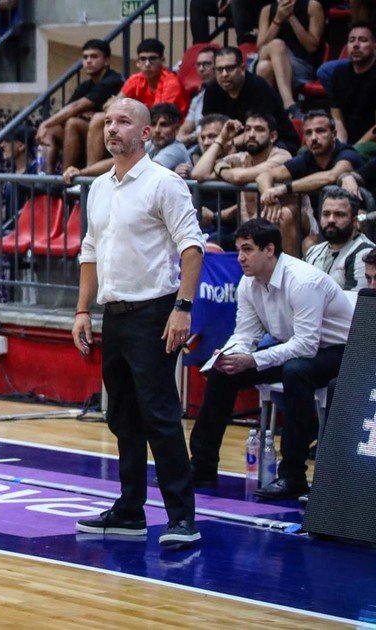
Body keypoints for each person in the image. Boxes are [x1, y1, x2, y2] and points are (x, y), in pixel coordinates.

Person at [71, 97, 204, 549]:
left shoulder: (165, 184)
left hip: (155, 313)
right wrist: (83, 310)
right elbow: (90, 251)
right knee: (122, 416)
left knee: (160, 416)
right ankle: (130, 510)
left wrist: (183, 307)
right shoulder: (99, 187)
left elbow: (191, 247)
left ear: (145, 133)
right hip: (115, 315)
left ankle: (182, 517)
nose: (112, 128)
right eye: (108, 121)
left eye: (123, 122)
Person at [188, 218, 353, 499]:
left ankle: (293, 475)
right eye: (239, 249)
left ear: (269, 250)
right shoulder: (248, 283)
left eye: (247, 249)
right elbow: (245, 334)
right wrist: (228, 356)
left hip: (341, 352)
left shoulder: (303, 281)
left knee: (296, 371)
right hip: (295, 347)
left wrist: (253, 360)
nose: (240, 257)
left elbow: (306, 345)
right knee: (224, 372)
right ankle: (202, 466)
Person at [256, 111, 364, 256]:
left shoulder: (347, 153)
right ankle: (289, 267)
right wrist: (269, 197)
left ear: (334, 134)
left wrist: (284, 189)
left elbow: (331, 176)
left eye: (320, 131)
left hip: (356, 222)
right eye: (308, 133)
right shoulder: (306, 158)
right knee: (289, 218)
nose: (314, 138)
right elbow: (264, 176)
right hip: (324, 224)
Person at [191, 111, 294, 244]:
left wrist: (220, 168)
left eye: (259, 129)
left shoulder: (282, 156)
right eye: (247, 129)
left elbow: (239, 177)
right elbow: (198, 173)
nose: (251, 134)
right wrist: (221, 139)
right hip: (249, 235)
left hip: (280, 233)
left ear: (273, 136)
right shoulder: (241, 158)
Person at [35, 39, 124, 174]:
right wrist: (48, 126)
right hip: (87, 135)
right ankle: (46, 176)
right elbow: (69, 110)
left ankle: (68, 178)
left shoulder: (113, 80)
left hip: (113, 136)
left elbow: (76, 107)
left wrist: (44, 123)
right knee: (50, 131)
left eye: (94, 56)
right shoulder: (86, 85)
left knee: (73, 123)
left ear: (106, 61)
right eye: (85, 57)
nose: (88, 61)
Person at [202, 46, 302, 152]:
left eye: (230, 68)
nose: (224, 74)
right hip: (230, 143)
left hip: (274, 142)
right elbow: (207, 128)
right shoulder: (212, 89)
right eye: (219, 69)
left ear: (242, 68)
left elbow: (259, 131)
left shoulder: (258, 87)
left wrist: (224, 145)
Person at [254, 0, 325, 119]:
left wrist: (291, 17)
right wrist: (277, 19)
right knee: (276, 45)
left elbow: (312, 47)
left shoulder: (312, 6)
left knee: (264, 68)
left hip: (300, 65)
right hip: (270, 56)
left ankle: (271, 115)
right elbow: (261, 47)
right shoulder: (267, 10)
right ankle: (289, 104)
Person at [303, 186, 375, 290]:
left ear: (354, 221)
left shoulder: (365, 254)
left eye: (339, 214)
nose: (331, 220)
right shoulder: (313, 252)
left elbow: (355, 299)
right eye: (326, 214)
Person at [328, 22, 376, 154]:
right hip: (348, 140)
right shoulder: (339, 73)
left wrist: (352, 150)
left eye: (363, 40)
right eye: (351, 40)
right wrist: (341, 146)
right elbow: (337, 117)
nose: (356, 45)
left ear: (374, 46)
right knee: (306, 151)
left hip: (370, 143)